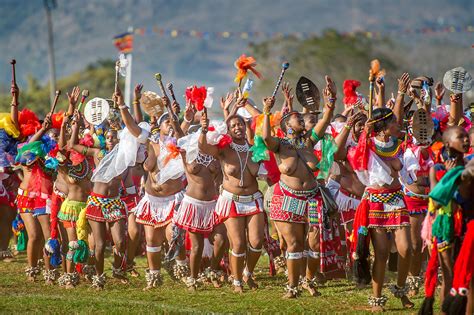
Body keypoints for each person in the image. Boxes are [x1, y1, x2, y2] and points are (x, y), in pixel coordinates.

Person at [262, 76, 336, 298]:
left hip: (313, 198)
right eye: (296, 119)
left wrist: (330, 103)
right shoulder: (280, 145)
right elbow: (265, 136)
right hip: (288, 198)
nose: (301, 121)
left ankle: (308, 280)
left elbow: (324, 121)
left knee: (313, 244)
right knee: (294, 245)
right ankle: (292, 287)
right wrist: (266, 112)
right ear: (286, 126)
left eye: (301, 119)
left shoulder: (309, 142)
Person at [349, 73, 415, 311]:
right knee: (383, 253)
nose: (399, 124)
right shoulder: (367, 145)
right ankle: (377, 299)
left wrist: (399, 92)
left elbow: (392, 116)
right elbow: (359, 157)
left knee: (407, 248)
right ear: (383, 127)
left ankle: (400, 290)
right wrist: (365, 132)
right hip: (375, 201)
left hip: (396, 199)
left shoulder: (395, 143)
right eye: (394, 124)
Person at [118, 86, 188, 290]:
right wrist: (124, 104)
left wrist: (179, 115)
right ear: (161, 125)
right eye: (166, 121)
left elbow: (183, 124)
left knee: (173, 235)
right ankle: (154, 277)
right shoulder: (150, 141)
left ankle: (183, 271)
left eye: (171, 121)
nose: (169, 124)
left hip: (172, 199)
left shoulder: (180, 143)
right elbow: (131, 126)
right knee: (151, 239)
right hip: (151, 199)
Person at [199, 94, 265, 293]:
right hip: (231, 200)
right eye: (234, 125)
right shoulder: (223, 149)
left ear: (246, 127)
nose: (238, 128)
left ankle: (248, 274)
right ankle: (236, 281)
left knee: (256, 242)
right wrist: (204, 129)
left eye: (241, 125)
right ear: (228, 129)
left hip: (253, 200)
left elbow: (264, 124)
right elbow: (203, 146)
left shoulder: (255, 149)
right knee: (238, 244)